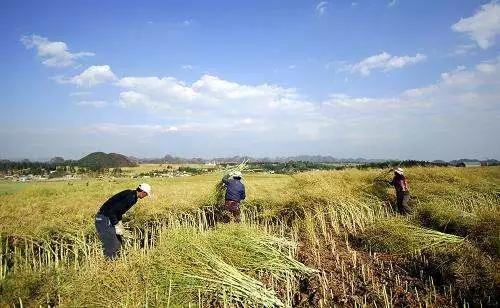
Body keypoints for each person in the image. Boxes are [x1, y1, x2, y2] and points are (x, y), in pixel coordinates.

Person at [95, 183, 151, 259]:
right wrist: (116, 225)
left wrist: (120, 223)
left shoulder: (133, 196)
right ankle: (109, 265)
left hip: (108, 218)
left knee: (118, 243)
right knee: (112, 245)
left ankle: (115, 262)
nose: (146, 196)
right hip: (104, 219)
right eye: (146, 194)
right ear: (143, 192)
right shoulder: (130, 197)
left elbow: (119, 211)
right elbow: (112, 211)